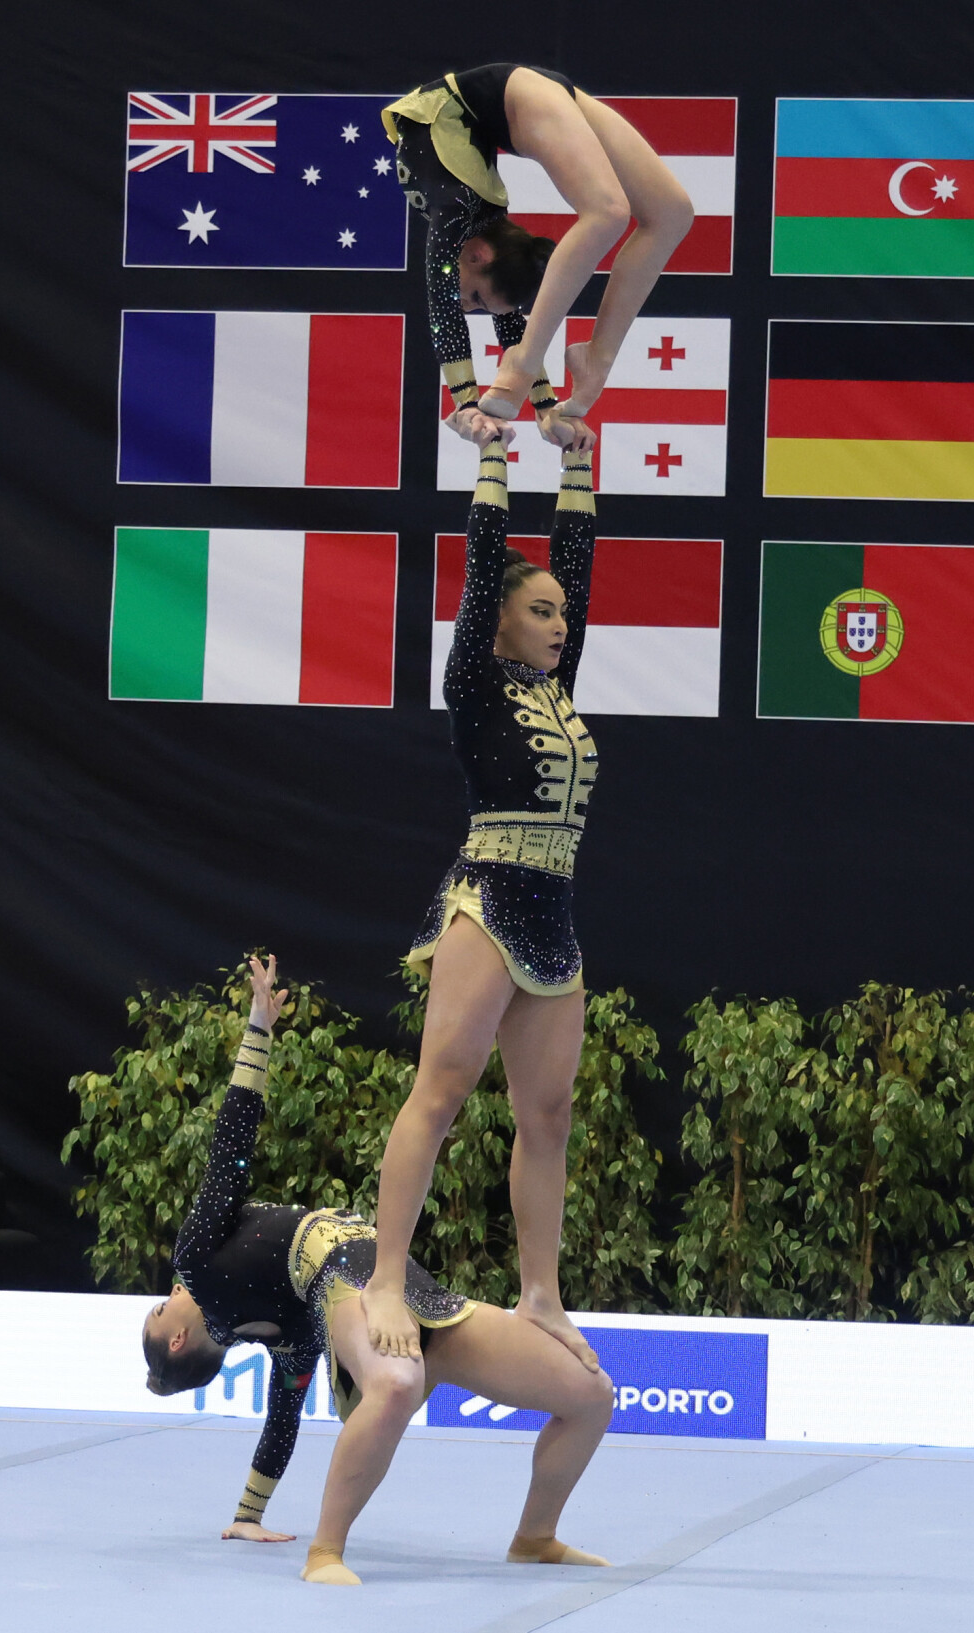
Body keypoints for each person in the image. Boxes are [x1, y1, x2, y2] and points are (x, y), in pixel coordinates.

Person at [142, 956, 615, 1585]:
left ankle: (535, 1537)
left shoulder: (264, 1325)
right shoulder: (197, 1270)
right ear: (177, 1338)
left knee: (590, 1396)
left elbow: (280, 1426)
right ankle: (325, 1553)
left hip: (409, 1294)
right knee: (393, 1381)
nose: (167, 1293)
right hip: (356, 1285)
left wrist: (247, 1514)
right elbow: (231, 1144)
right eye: (158, 1308)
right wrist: (258, 1028)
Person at [370, 438, 600, 1369]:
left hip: (554, 909)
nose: (558, 623)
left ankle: (540, 1293)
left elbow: (577, 563)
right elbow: (477, 570)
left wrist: (579, 464)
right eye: (539, 611)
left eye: (561, 614)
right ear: (497, 622)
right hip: (487, 897)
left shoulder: (555, 685)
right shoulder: (472, 683)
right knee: (444, 1089)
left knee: (548, 1114)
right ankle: (388, 1274)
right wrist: (494, 465)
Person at [381, 64, 695, 446]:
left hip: (504, 96)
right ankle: (596, 359)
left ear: (479, 256)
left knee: (618, 214)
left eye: (477, 298)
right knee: (667, 214)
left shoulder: (452, 211)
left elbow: (442, 310)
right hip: (527, 95)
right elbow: (511, 325)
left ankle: (533, 363)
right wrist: (547, 409)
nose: (467, 305)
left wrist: (466, 403)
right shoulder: (477, 226)